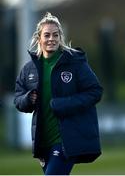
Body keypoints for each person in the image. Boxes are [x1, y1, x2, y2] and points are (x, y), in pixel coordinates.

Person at [14, 12, 103, 175]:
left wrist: (65, 104)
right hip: (43, 143)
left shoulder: (74, 62)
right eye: (46, 35)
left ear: (61, 37)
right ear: (39, 38)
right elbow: (18, 98)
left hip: (66, 141)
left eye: (55, 35)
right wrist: (28, 99)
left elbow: (95, 91)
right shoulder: (30, 69)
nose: (51, 39)